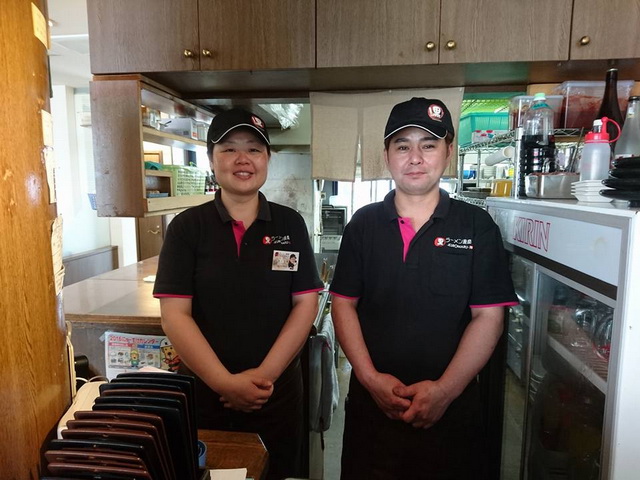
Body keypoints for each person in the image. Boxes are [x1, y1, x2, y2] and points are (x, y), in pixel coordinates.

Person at [329, 97, 518, 479]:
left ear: (448, 152)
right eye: (403, 146)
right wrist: (370, 379)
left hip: (452, 416)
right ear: (387, 155)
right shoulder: (363, 226)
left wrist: (445, 391)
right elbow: (343, 304)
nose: (415, 158)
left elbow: (488, 317)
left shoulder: (476, 226)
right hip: (372, 415)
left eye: (428, 145)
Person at [153, 108, 323, 480]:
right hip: (207, 395)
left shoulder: (290, 223)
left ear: (267, 159)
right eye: (229, 149)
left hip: (276, 395)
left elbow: (305, 304)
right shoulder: (186, 228)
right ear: (211, 158)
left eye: (254, 149)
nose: (243, 159)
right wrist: (224, 383)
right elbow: (175, 316)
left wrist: (263, 377)